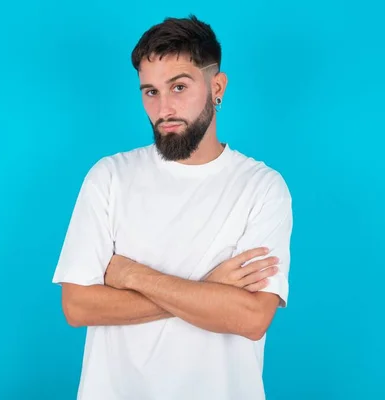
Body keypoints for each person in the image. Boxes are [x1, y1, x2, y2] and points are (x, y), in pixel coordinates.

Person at [52, 14, 293, 400]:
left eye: (178, 87)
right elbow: (78, 306)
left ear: (217, 86)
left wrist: (130, 274)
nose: (164, 109)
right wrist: (209, 291)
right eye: (150, 92)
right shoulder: (109, 177)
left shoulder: (262, 187)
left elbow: (250, 318)